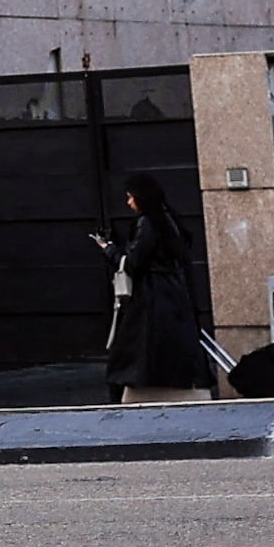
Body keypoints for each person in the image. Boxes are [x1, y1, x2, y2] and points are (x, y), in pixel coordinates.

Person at [97, 172, 211, 401]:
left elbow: (134, 262)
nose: (128, 203)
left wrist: (108, 250)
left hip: (151, 297)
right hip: (173, 295)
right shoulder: (168, 220)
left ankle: (134, 391)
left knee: (133, 349)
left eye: (131, 197)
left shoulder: (147, 223)